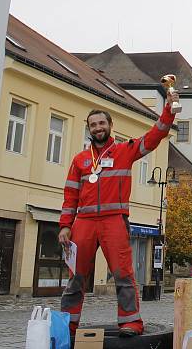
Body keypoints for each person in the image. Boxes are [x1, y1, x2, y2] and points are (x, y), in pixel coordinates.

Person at [58, 90, 178, 337]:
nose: (98, 127)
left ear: (110, 126)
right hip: (84, 222)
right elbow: (70, 196)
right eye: (93, 124)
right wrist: (64, 225)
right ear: (88, 129)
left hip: (114, 220)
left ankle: (131, 322)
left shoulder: (125, 150)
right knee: (76, 278)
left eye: (102, 123)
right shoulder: (80, 160)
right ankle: (68, 325)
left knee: (123, 274)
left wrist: (168, 109)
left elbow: (155, 136)